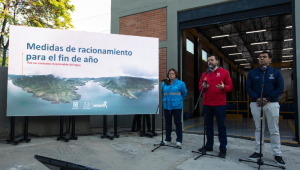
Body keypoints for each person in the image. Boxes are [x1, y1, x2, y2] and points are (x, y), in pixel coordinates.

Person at [246, 51, 285, 167]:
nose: (261, 59)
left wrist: (267, 98)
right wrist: (256, 98)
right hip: (256, 103)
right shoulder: (252, 73)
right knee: (258, 128)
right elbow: (248, 87)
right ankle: (258, 151)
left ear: (270, 59)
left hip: (271, 104)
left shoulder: (276, 73)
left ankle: (277, 154)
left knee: (274, 129)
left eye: (264, 57)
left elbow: (280, 87)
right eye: (260, 57)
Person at [198, 54, 232, 157]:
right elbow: (200, 87)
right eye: (208, 60)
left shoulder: (224, 72)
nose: (210, 62)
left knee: (221, 126)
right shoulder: (205, 74)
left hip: (219, 104)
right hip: (207, 103)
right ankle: (209, 145)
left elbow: (230, 86)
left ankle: (222, 148)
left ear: (217, 61)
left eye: (212, 60)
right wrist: (203, 86)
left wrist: (223, 87)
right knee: (208, 126)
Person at [161, 68, 187, 147]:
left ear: (176, 75)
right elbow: (162, 93)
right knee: (168, 123)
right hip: (167, 106)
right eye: (169, 73)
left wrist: (178, 100)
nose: (170, 75)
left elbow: (184, 94)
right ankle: (167, 139)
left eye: (172, 73)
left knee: (178, 123)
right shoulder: (164, 83)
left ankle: (179, 140)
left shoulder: (181, 83)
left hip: (177, 106)